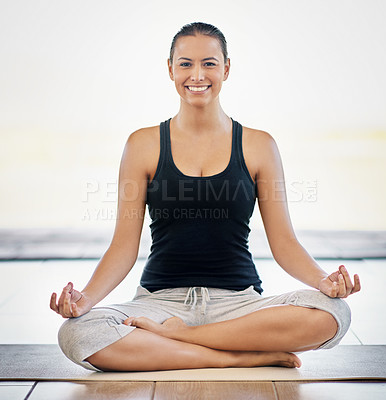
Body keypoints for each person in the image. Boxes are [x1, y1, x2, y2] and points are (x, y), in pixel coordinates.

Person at [50, 22, 361, 372]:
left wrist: (323, 281)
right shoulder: (143, 145)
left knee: (334, 313)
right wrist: (86, 299)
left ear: (226, 68)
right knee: (77, 333)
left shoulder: (259, 145)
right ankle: (236, 357)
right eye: (185, 64)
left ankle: (182, 339)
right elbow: (123, 247)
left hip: (239, 306)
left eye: (209, 63)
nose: (197, 75)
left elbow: (285, 243)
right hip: (159, 304)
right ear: (170, 69)